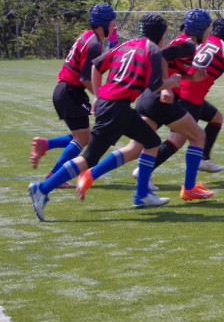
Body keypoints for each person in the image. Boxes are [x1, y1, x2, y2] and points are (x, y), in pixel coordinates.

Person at [28, 14, 182, 221]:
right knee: (89, 158)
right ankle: (42, 188)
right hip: (116, 108)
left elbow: (96, 66)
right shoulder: (153, 50)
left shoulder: (126, 45)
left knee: (152, 141)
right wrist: (171, 82)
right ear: (161, 35)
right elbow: (154, 85)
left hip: (116, 106)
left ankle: (142, 194)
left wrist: (98, 96)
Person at [75, 9, 216, 202]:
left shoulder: (183, 41)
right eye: (208, 28)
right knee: (198, 136)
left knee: (135, 148)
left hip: (148, 98)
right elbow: (162, 56)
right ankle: (189, 189)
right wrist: (167, 88)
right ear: (200, 30)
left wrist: (191, 77)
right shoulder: (189, 45)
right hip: (161, 100)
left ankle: (91, 174)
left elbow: (170, 65)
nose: (210, 32)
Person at [144, 18, 224, 178]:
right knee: (176, 141)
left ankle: (204, 158)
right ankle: (144, 171)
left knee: (216, 118)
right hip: (190, 97)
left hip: (177, 89)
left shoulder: (200, 41)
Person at [30, 4, 116, 188]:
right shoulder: (93, 44)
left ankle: (46, 145)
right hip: (70, 92)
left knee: (85, 136)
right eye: (112, 22)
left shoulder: (88, 36)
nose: (114, 26)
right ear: (105, 23)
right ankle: (55, 176)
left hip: (66, 91)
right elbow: (85, 78)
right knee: (82, 138)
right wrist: (102, 96)